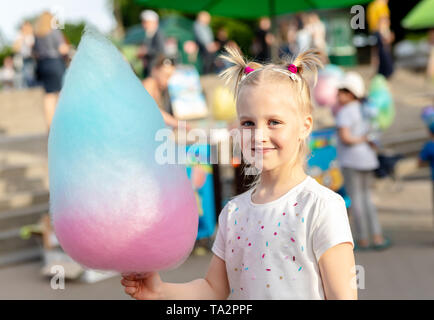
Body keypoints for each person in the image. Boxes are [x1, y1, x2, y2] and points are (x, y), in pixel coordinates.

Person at [121, 47, 359, 300]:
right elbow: (213, 289)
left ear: (304, 126)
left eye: (274, 122)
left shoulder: (322, 207)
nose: (259, 135)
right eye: (248, 123)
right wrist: (159, 291)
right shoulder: (233, 213)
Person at [335, 72, 391, 251]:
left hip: (352, 161)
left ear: (350, 93)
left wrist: (360, 139)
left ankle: (363, 239)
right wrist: (367, 139)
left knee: (356, 200)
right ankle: (377, 236)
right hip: (368, 159)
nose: (338, 96)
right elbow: (374, 132)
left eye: (341, 92)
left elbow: (345, 137)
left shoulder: (344, 112)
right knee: (368, 198)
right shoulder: (367, 108)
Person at [32, 11, 69, 131]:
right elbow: (63, 49)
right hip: (55, 63)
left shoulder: (37, 35)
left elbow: (34, 53)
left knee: (48, 97)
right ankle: (61, 127)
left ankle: (50, 127)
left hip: (43, 65)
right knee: (60, 95)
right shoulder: (55, 32)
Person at [142, 56, 181, 129]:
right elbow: (151, 110)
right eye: (166, 76)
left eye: (171, 76)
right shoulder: (150, 83)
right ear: (155, 71)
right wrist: (178, 124)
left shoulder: (162, 88)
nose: (169, 80)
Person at [138, 10, 165, 78]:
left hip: (155, 69)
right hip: (149, 69)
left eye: (146, 22)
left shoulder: (158, 34)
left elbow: (160, 50)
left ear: (154, 22)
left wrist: (146, 51)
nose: (143, 25)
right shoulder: (148, 33)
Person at [13, 21, 36, 87]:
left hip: (32, 57)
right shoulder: (19, 35)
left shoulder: (33, 35)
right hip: (22, 57)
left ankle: (30, 86)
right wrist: (22, 38)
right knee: (24, 74)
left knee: (31, 74)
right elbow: (15, 48)